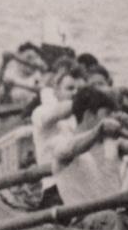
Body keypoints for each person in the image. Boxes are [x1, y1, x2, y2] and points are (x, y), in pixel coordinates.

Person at [48, 87, 128, 230]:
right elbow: (72, 148)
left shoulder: (109, 144)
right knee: (111, 219)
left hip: (108, 219)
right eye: (106, 115)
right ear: (88, 115)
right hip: (83, 224)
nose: (111, 120)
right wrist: (98, 130)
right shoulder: (61, 142)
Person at [31, 65, 87, 204]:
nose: (75, 93)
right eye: (70, 88)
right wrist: (80, 103)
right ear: (56, 91)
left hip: (82, 186)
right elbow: (50, 116)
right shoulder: (41, 111)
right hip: (55, 188)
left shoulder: (80, 118)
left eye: (79, 90)